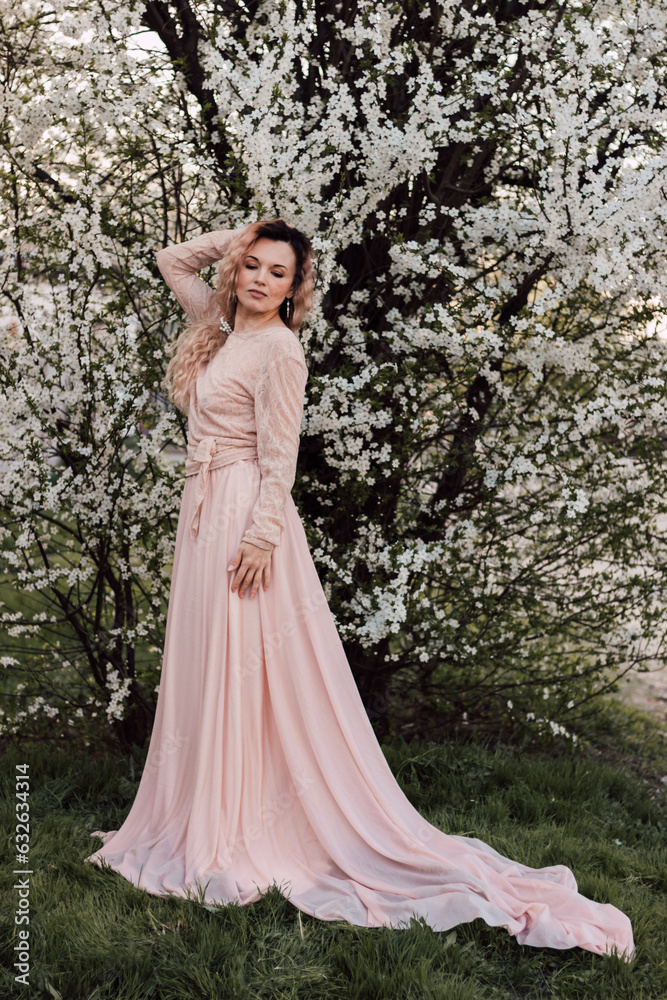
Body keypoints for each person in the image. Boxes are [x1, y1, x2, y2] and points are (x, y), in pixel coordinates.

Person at [84, 219, 635, 961]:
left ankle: (248, 822)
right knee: (210, 662)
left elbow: (280, 455)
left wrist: (259, 536)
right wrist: (244, 229)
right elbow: (169, 258)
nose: (256, 279)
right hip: (202, 515)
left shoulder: (279, 349)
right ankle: (201, 808)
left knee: (250, 666)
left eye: (275, 272)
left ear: (293, 289)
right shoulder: (217, 324)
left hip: (247, 518)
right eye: (251, 266)